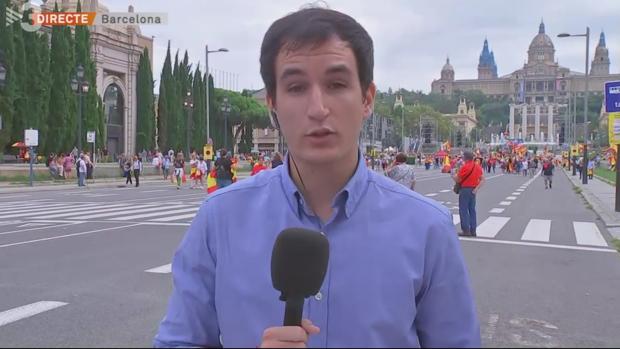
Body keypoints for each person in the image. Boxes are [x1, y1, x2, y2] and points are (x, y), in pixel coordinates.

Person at [154, 7, 479, 348]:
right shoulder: (219, 220)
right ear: (272, 104)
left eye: (336, 84)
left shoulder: (427, 228)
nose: (318, 107)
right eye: (295, 87)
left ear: (367, 99)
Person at [453, 151, 484, 237]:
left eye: (462, 156)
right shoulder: (477, 167)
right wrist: (476, 189)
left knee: (463, 210)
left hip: (465, 189)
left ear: (465, 158)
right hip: (473, 190)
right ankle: (473, 230)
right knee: (472, 210)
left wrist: (453, 175)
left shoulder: (465, 167)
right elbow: (483, 179)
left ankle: (466, 230)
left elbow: (458, 180)